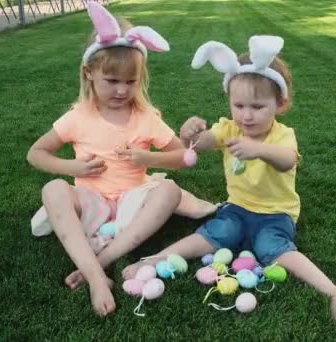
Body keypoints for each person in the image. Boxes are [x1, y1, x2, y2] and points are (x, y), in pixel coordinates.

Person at [123, 36, 336, 323]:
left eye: (257, 107)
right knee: (216, 232)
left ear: (280, 104)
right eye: (239, 105)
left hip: (275, 214)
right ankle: (154, 259)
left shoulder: (282, 135)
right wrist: (190, 135)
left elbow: (286, 160)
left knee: (270, 247)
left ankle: (334, 291)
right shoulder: (230, 128)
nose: (246, 116)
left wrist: (258, 149)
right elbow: (205, 142)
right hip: (237, 208)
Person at [26, 1, 215, 316]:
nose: (122, 90)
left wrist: (146, 158)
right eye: (112, 81)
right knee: (53, 189)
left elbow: (182, 157)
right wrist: (71, 167)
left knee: (168, 191)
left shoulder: (146, 118)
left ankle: (99, 264)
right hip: (91, 201)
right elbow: (36, 153)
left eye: (131, 81)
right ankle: (97, 276)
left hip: (133, 201)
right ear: (90, 73)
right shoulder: (78, 117)